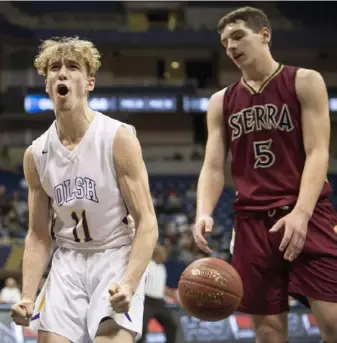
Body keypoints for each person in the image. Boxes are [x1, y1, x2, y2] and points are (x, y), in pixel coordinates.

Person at [193, 7, 337, 343]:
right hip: (253, 222)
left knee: (332, 322)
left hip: (307, 213)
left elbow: (318, 152)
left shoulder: (304, 80)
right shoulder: (220, 101)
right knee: (268, 332)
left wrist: (301, 214)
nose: (231, 46)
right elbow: (214, 166)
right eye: (225, 41)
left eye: (238, 35)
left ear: (265, 34)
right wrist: (203, 211)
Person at [10, 36, 159, 343]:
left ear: (90, 82)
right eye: (54, 68)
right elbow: (39, 235)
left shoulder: (117, 138)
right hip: (68, 261)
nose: (61, 73)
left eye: (72, 67)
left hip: (115, 254)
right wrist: (27, 295)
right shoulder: (36, 154)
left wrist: (130, 284)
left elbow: (147, 223)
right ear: (47, 85)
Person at [139, 243, 179, 343]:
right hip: (147, 301)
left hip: (159, 302)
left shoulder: (162, 268)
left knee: (172, 326)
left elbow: (163, 288)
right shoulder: (147, 264)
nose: (164, 256)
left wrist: (176, 298)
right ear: (156, 254)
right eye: (162, 253)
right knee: (141, 330)